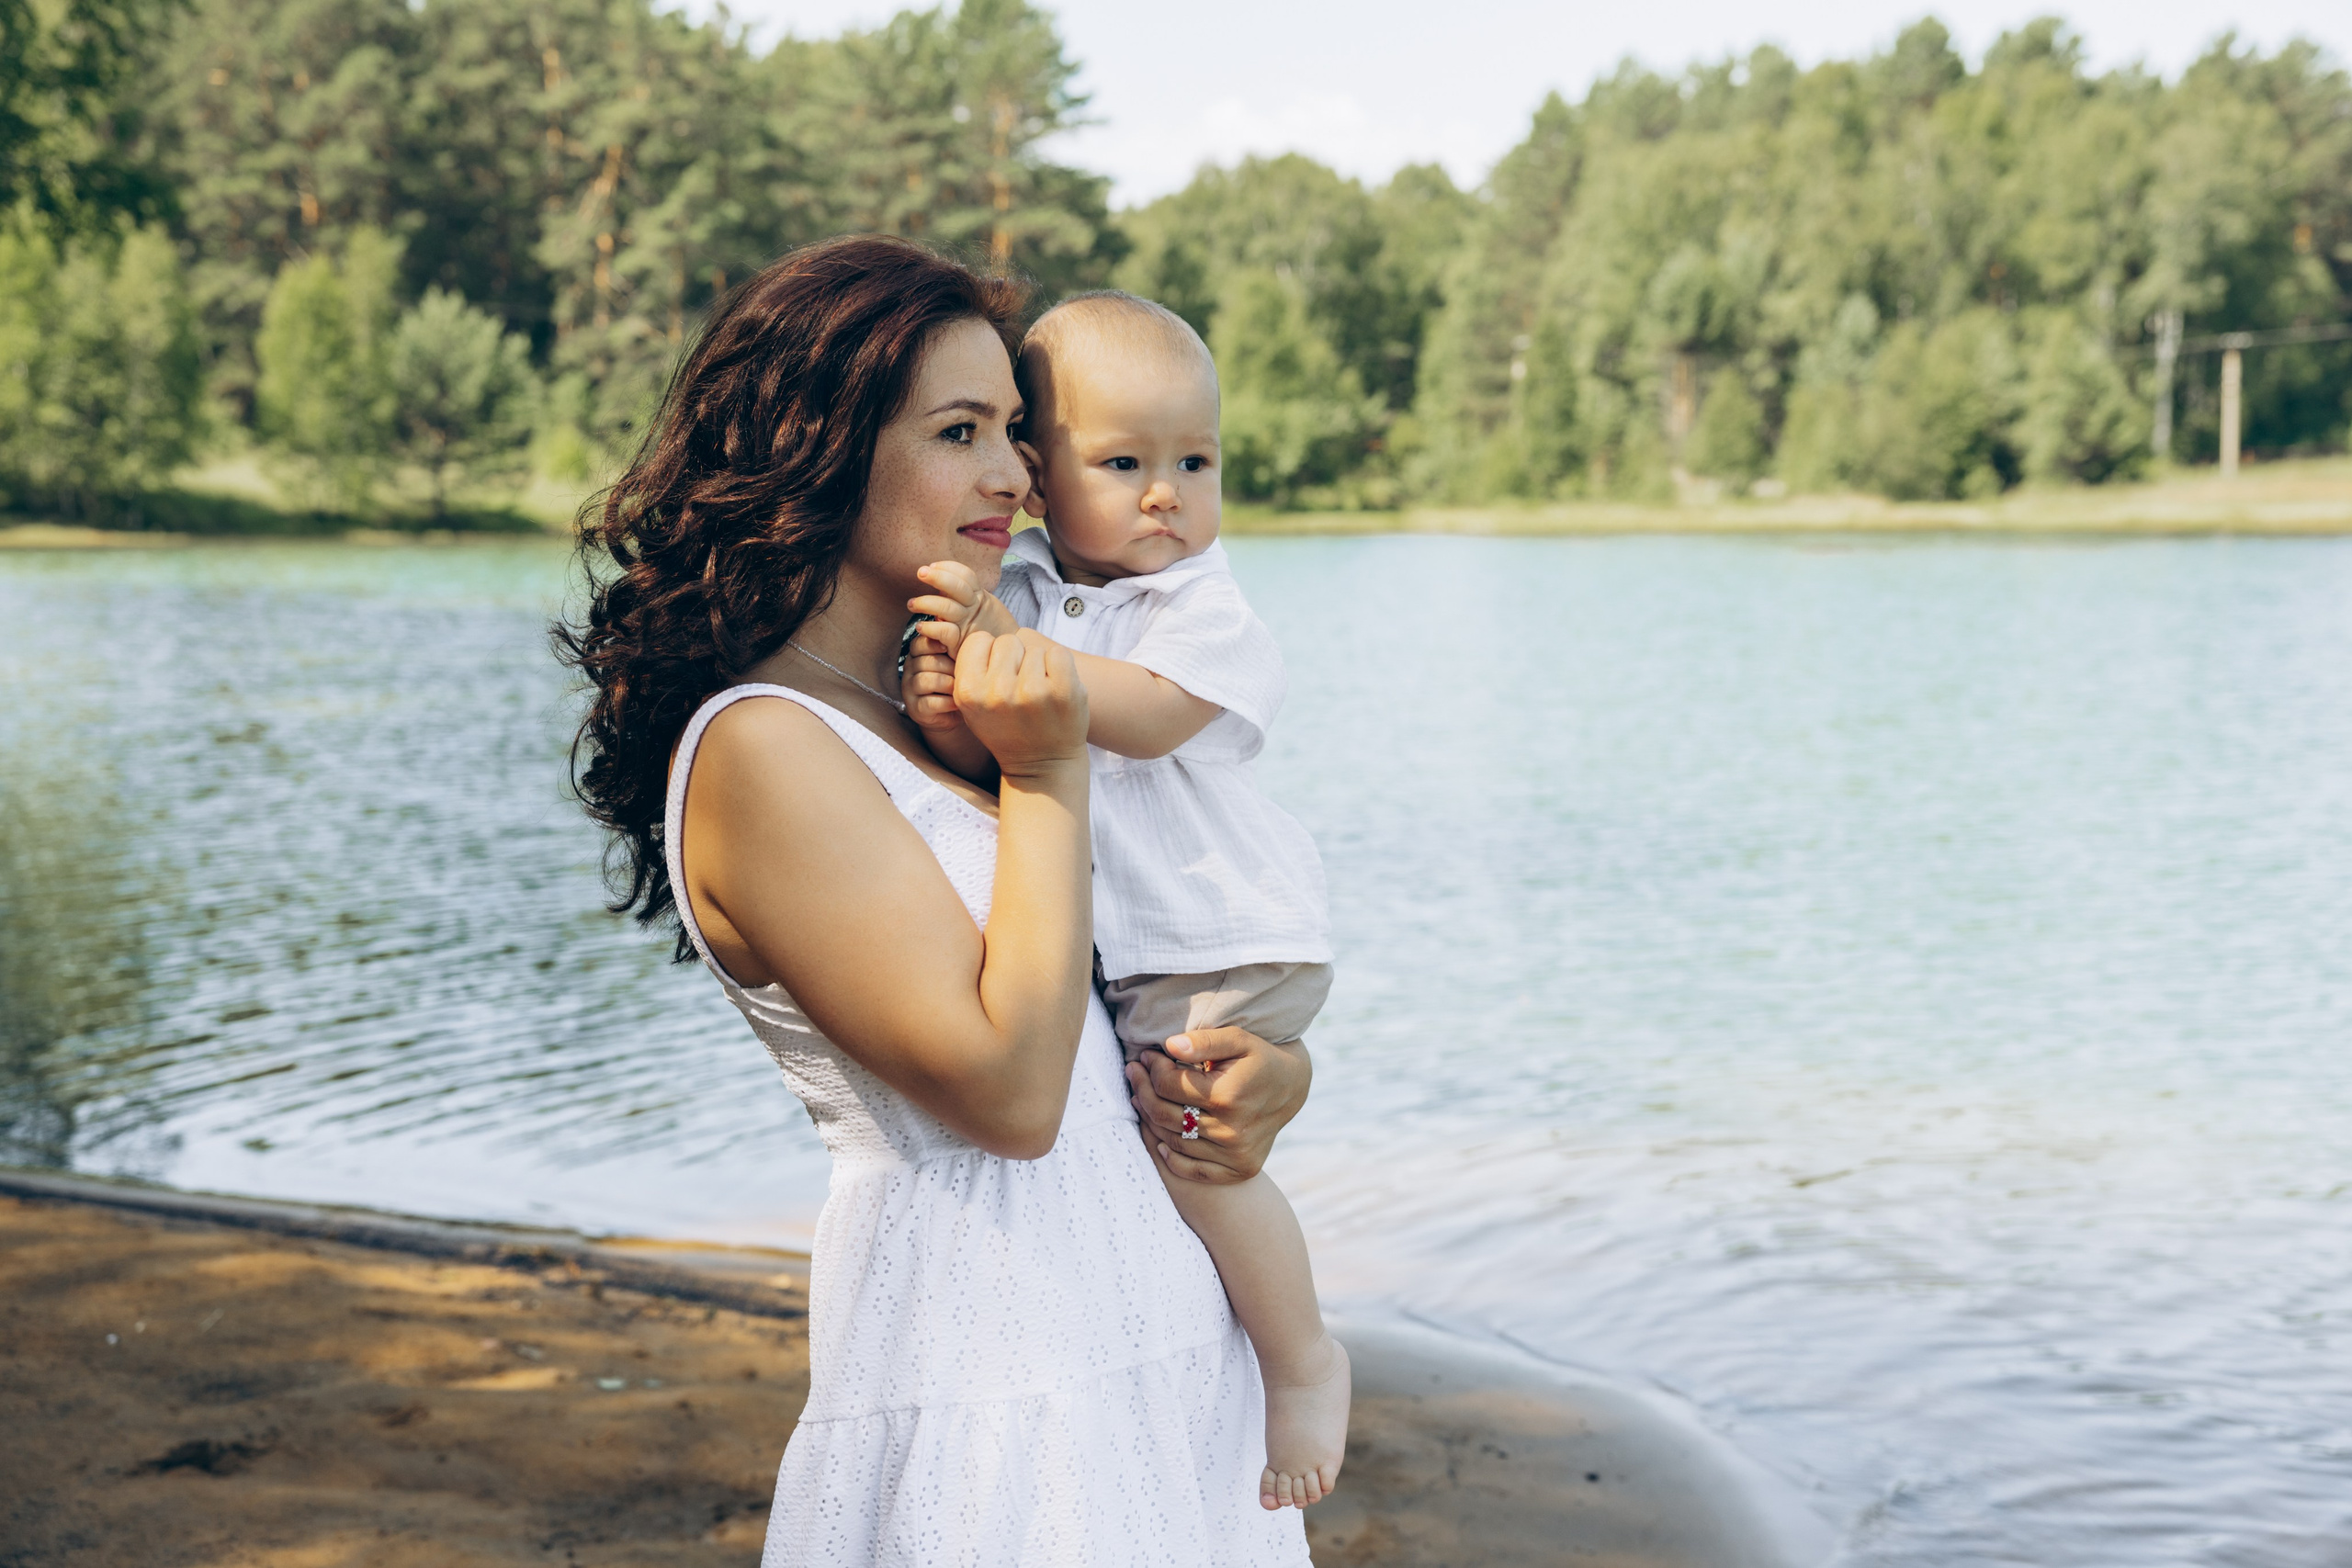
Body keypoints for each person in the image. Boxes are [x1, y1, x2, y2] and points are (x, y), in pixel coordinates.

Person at [555, 237, 1313, 1564]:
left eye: (1017, 432)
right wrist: (1053, 757)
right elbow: (1011, 1099)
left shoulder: (954, 714)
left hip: (1159, 1346)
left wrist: (1261, 1072)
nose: (1017, 478)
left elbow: (1093, 1016)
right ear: (821, 448)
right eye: (961, 432)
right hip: (998, 1377)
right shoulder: (765, 748)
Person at [899, 291, 1349, 1510]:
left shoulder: (1202, 604)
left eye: (1194, 462)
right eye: (1126, 463)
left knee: (1205, 1161)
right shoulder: (1032, 581)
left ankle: (1304, 1361)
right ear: (1040, 479)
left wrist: (1010, 651)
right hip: (1149, 948)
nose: (1167, 495)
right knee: (1174, 1153)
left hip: (1225, 936)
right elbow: (986, 730)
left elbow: (1145, 716)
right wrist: (955, 686)